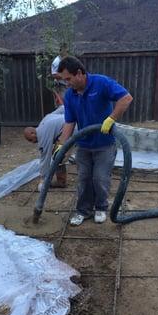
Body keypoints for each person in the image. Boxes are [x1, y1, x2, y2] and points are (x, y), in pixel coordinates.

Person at [53, 56, 133, 226]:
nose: (67, 83)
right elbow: (69, 122)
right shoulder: (70, 96)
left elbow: (126, 98)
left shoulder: (101, 83)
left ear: (80, 73)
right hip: (83, 144)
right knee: (83, 178)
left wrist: (111, 119)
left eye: (68, 79)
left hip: (104, 144)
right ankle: (83, 210)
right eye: (64, 80)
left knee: (100, 178)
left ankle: (101, 208)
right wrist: (61, 145)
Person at [24, 88, 67, 191]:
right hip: (70, 125)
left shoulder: (42, 136)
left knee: (59, 156)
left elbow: (45, 158)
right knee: (57, 153)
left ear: (33, 133)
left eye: (31, 139)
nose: (33, 142)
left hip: (72, 130)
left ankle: (61, 182)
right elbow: (62, 109)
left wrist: (43, 178)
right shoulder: (45, 120)